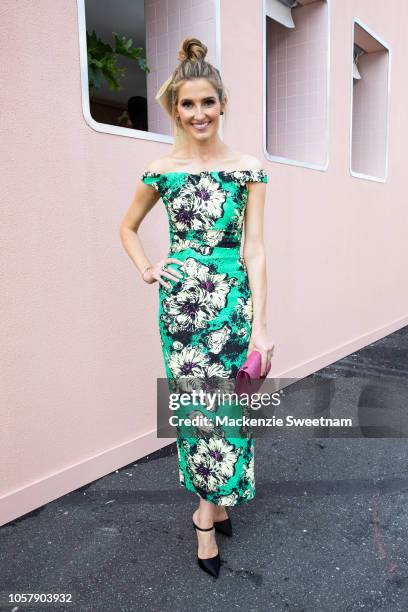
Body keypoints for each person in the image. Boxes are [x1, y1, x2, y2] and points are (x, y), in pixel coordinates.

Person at [119, 37, 274, 578]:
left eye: (207, 102)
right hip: (182, 310)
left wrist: (262, 327)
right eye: (188, 104)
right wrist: (147, 267)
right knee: (197, 414)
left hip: (232, 307)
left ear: (223, 104)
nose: (199, 112)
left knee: (231, 414)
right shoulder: (160, 169)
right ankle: (207, 516)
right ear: (174, 109)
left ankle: (211, 503)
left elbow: (254, 249)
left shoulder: (248, 168)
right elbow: (128, 227)